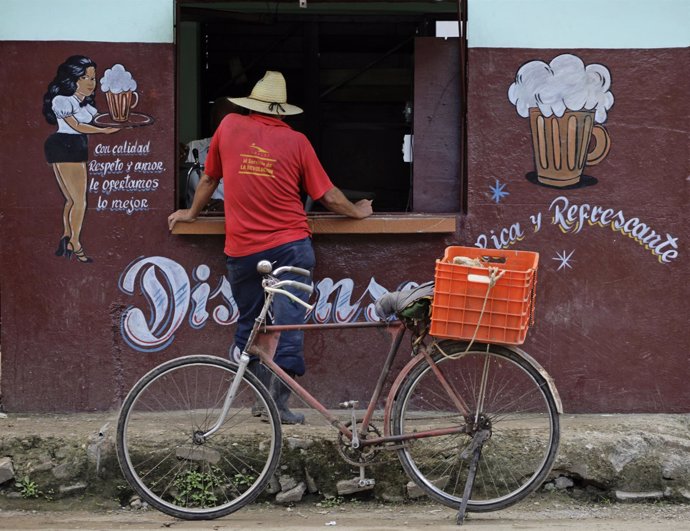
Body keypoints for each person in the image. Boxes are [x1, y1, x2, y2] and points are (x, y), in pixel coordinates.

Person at [168, 71, 373, 424]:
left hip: (243, 252)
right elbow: (327, 196)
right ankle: (276, 404)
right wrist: (358, 210)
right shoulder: (297, 142)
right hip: (290, 248)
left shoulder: (229, 126)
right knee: (288, 327)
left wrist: (191, 212)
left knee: (252, 325)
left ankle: (260, 399)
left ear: (251, 105)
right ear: (280, 112)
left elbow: (208, 178)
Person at [43, 55, 119, 263]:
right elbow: (77, 126)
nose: (90, 83)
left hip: (74, 146)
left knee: (71, 199)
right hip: (67, 145)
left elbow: (93, 119)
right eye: (85, 77)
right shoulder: (63, 100)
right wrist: (104, 132)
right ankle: (76, 242)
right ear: (72, 79)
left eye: (93, 78)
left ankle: (67, 237)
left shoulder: (84, 104)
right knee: (80, 201)